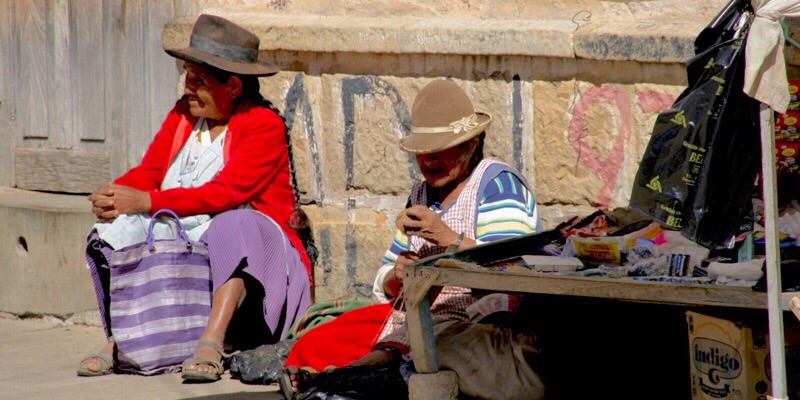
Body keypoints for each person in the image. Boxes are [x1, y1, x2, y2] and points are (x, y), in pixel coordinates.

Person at [76, 14, 313, 382]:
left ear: (233, 85)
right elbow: (151, 172)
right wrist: (116, 195)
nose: (189, 88)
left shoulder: (262, 125)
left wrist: (145, 202)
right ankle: (119, 341)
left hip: (259, 256)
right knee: (119, 227)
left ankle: (213, 340)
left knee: (232, 224)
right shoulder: (184, 114)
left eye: (199, 80)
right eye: (187, 75)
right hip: (193, 232)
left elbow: (225, 193)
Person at [281, 79, 545, 399]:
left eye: (439, 151)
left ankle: (338, 380)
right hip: (414, 318)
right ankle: (345, 376)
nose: (428, 162)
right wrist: (399, 275)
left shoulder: (498, 185)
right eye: (422, 153)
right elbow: (387, 279)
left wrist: (447, 238)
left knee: (424, 343)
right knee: (317, 342)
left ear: (470, 144)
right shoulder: (420, 194)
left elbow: (510, 272)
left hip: (476, 324)